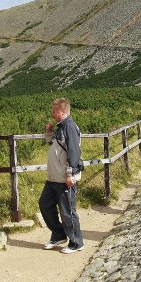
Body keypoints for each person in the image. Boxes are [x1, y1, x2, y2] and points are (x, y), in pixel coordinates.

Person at [39, 98, 84, 254]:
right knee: (44, 204)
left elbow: (74, 151)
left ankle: (76, 242)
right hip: (53, 178)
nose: (52, 113)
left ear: (63, 112)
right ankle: (59, 234)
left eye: (54, 111)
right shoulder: (60, 128)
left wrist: (71, 173)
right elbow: (54, 146)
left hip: (65, 178)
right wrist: (49, 132)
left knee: (67, 211)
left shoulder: (70, 127)